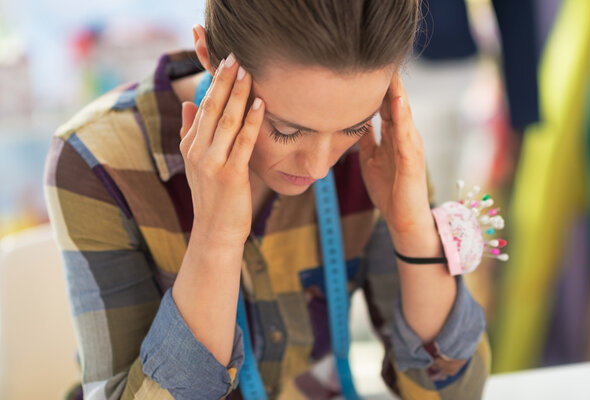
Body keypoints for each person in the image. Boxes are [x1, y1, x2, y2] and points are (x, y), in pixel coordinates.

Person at [43, 0, 490, 399]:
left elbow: (452, 394)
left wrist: (412, 231)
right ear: (209, 58)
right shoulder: (95, 160)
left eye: (353, 125)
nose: (318, 167)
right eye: (286, 129)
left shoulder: (376, 149)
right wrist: (215, 242)